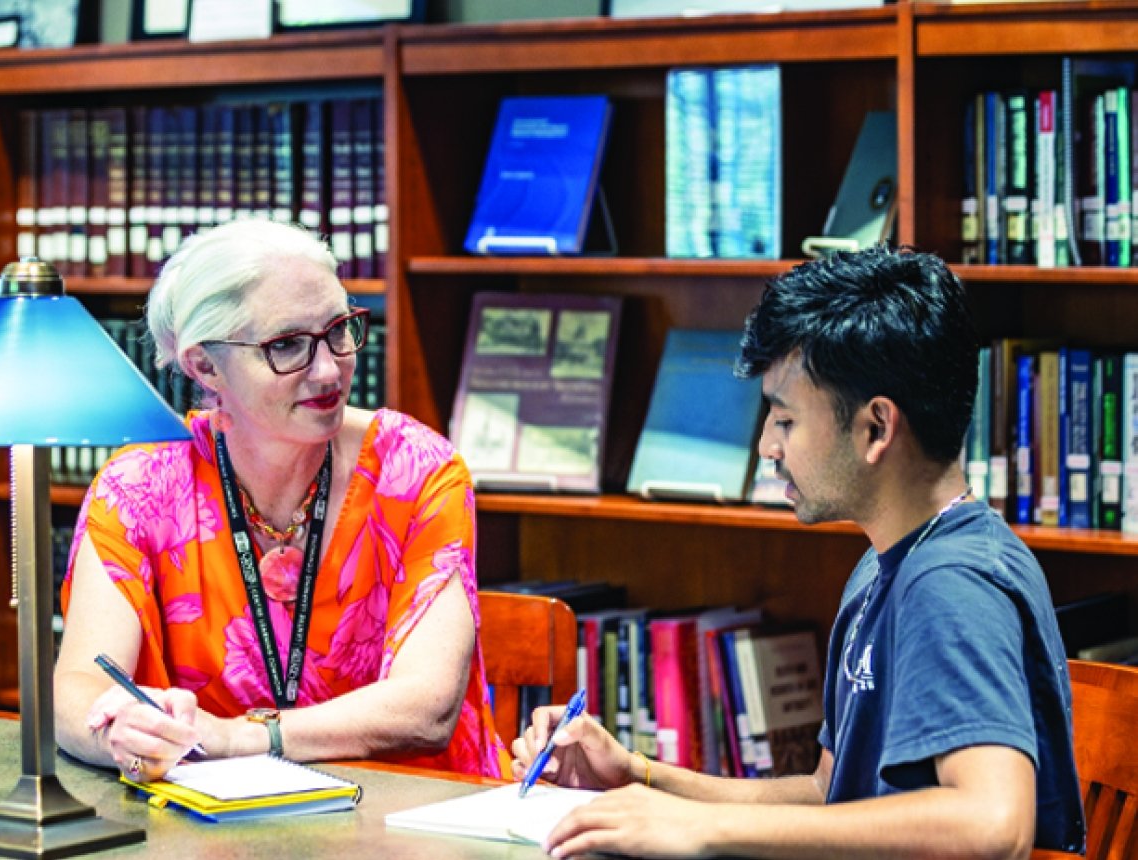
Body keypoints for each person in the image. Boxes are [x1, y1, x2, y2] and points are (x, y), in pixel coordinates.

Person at [512, 247, 1085, 859]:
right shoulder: (883, 566)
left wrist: (704, 829)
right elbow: (828, 797)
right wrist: (638, 775)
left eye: (784, 420)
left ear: (876, 429)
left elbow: (993, 824)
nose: (765, 446)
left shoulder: (953, 585)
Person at [54, 219, 506, 783]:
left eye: (339, 330)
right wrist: (118, 731)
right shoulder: (139, 489)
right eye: (287, 345)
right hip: (221, 828)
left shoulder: (415, 472)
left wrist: (244, 737)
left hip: (416, 820)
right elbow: (76, 690)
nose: (328, 370)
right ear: (204, 366)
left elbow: (428, 708)